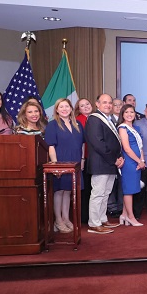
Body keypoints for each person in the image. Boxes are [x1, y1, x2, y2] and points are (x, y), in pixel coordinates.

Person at [85, 94, 124, 234]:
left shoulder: (107, 119)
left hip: (109, 163)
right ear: (97, 104)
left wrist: (118, 158)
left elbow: (114, 142)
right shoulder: (94, 119)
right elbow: (98, 143)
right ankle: (94, 223)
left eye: (109, 103)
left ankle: (102, 219)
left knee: (106, 194)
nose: (108, 105)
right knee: (98, 194)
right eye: (104, 102)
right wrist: (114, 159)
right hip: (101, 163)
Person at [44, 98, 85, 233]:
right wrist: (55, 165)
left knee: (68, 191)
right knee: (59, 191)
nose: (64, 109)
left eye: (67, 106)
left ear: (71, 108)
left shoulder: (77, 124)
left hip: (75, 162)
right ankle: (58, 221)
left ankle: (66, 218)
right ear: (56, 109)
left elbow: (82, 144)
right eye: (61, 107)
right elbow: (51, 146)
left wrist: (83, 159)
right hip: (60, 161)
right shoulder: (52, 125)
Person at [117, 104, 145, 227]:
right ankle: (131, 217)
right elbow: (127, 149)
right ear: (122, 114)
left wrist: (142, 160)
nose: (129, 114)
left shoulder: (136, 128)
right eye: (127, 112)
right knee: (128, 190)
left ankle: (124, 214)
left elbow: (141, 146)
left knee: (132, 189)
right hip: (129, 162)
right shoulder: (122, 128)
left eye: (132, 112)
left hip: (137, 161)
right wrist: (139, 161)